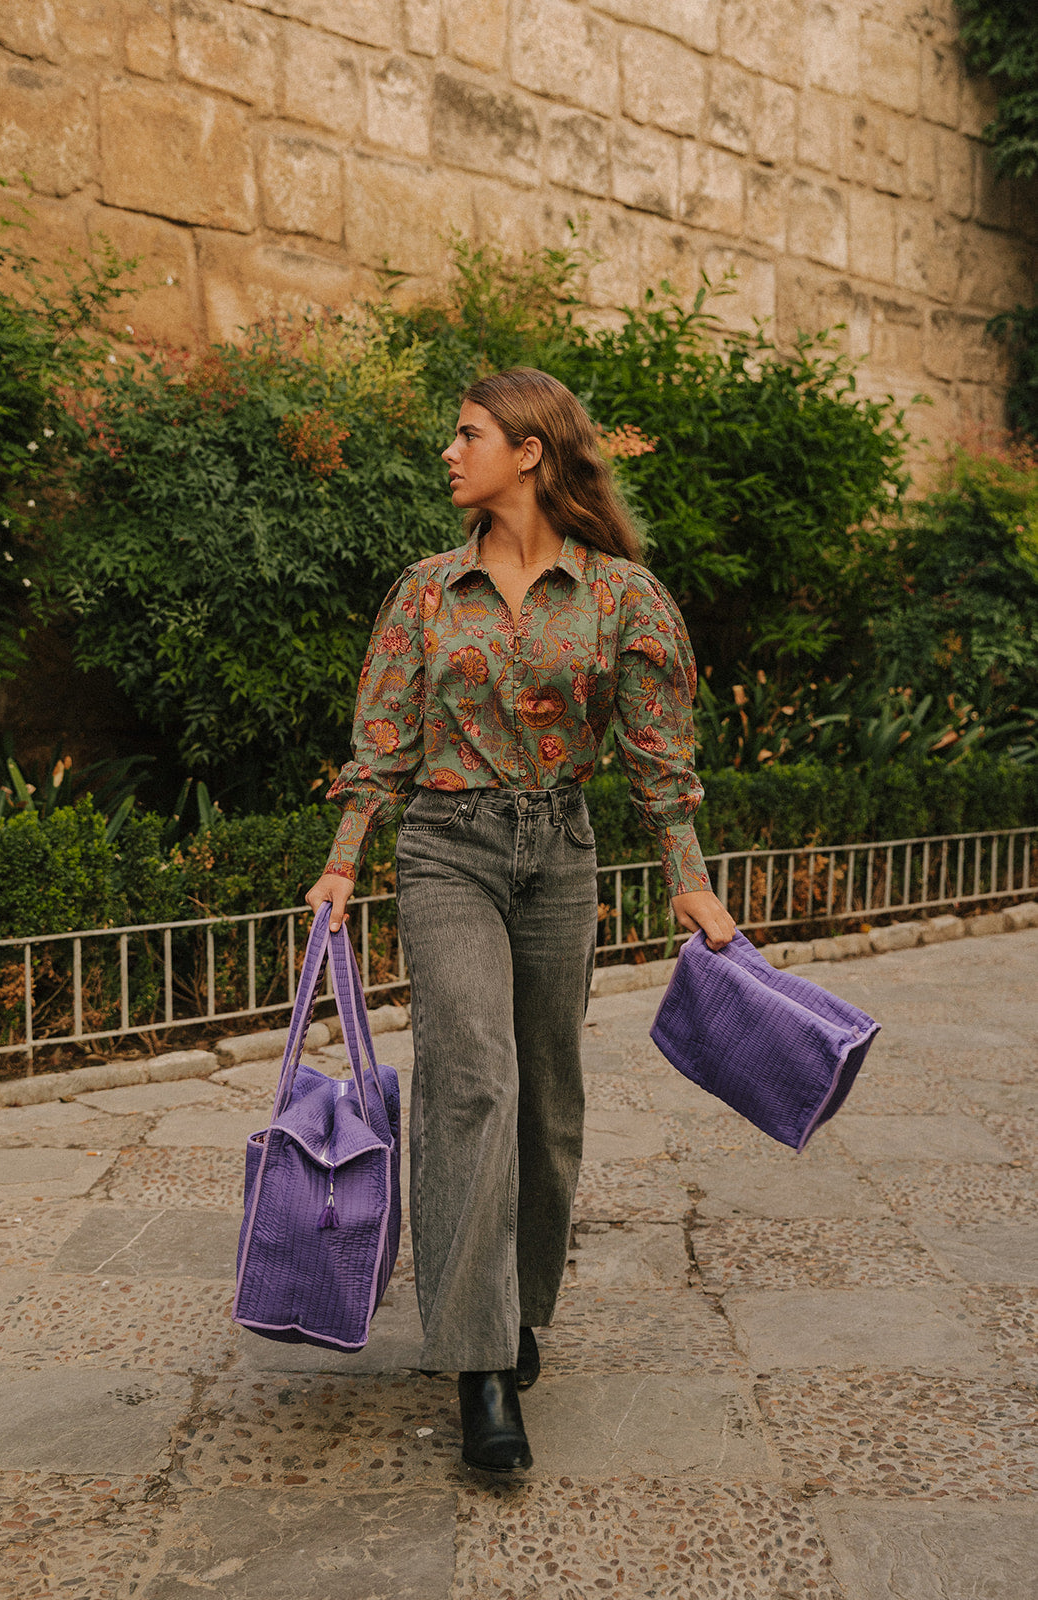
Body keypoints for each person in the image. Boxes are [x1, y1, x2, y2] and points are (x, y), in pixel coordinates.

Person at [305, 367, 735, 1473]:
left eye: (467, 434)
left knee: (544, 1092)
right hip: (448, 850)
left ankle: (516, 1305)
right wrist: (343, 863)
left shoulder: (619, 596)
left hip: (558, 858)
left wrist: (686, 876)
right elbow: (383, 737)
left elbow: (658, 754)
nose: (449, 454)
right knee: (470, 1079)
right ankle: (478, 1364)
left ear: (530, 451)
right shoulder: (424, 592)